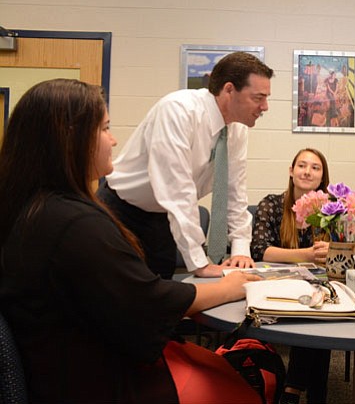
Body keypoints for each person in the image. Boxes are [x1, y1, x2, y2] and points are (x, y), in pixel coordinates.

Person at [0, 79, 261, 402]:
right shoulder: (76, 225)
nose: (114, 140)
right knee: (243, 386)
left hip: (71, 360)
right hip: (97, 380)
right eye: (105, 128)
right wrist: (227, 287)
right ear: (70, 138)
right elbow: (147, 303)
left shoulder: (39, 209)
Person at [98, 51, 274, 279]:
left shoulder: (237, 129)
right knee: (116, 294)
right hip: (120, 212)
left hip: (162, 218)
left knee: (158, 297)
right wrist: (200, 264)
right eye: (258, 98)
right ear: (229, 90)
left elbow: (234, 190)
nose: (265, 107)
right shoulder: (178, 111)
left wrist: (241, 250)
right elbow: (178, 191)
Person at [251, 148, 332, 404]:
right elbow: (260, 250)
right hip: (279, 285)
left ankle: (294, 390)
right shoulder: (272, 204)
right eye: (302, 165)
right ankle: (307, 391)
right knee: (314, 316)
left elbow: (351, 250)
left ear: (322, 178)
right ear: (291, 171)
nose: (307, 171)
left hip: (317, 287)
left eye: (315, 167)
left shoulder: (331, 211)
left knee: (319, 313)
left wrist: (336, 248)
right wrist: (307, 254)